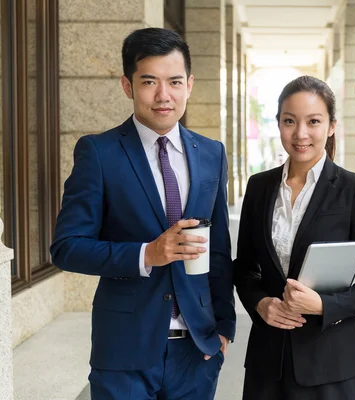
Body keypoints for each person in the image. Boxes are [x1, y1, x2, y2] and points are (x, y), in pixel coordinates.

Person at [50, 28, 235, 400]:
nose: (163, 95)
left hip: (196, 352)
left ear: (190, 85)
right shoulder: (99, 153)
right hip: (124, 352)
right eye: (149, 81)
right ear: (127, 85)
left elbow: (218, 249)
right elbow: (67, 247)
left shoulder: (211, 153)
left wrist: (224, 330)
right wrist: (147, 254)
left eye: (174, 82)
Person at [233, 75, 355, 400]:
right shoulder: (259, 187)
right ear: (278, 123)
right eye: (289, 121)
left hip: (332, 368)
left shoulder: (354, 190)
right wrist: (260, 303)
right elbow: (245, 268)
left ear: (331, 126)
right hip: (268, 364)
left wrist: (324, 305)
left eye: (313, 121)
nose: (300, 133)